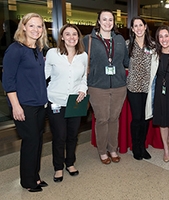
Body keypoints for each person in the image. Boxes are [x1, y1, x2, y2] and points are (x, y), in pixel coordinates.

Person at [2, 13, 48, 192]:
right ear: (23, 27)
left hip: (38, 103)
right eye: (32, 26)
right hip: (24, 104)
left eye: (39, 26)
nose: (36, 29)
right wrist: (16, 106)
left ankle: (35, 177)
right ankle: (27, 181)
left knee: (37, 141)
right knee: (30, 142)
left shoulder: (38, 49)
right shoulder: (15, 49)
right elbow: (8, 81)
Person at [83, 9, 129, 164]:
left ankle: (113, 148)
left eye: (111, 19)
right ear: (98, 21)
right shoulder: (88, 39)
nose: (108, 23)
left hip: (119, 85)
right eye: (104, 19)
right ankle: (102, 151)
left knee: (114, 118)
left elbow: (127, 61)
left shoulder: (121, 39)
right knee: (102, 119)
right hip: (97, 86)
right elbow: (81, 62)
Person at [45, 24, 88, 182]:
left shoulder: (83, 55)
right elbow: (44, 76)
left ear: (78, 37)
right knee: (59, 136)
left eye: (74, 34)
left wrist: (83, 89)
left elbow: (84, 77)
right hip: (55, 101)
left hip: (75, 102)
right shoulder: (52, 54)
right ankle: (58, 167)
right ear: (62, 37)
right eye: (67, 34)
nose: (71, 37)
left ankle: (70, 163)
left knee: (72, 135)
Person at [145, 25, 169, 162]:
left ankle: (167, 141)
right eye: (160, 36)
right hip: (160, 92)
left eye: (166, 36)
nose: (164, 39)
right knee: (162, 121)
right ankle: (166, 149)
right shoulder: (154, 54)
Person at [127, 16, 155, 160]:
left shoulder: (153, 45)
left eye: (140, 25)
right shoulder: (128, 45)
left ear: (145, 27)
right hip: (133, 87)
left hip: (148, 88)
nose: (138, 28)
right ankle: (136, 146)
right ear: (132, 29)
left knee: (145, 118)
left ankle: (143, 146)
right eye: (135, 26)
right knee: (137, 118)